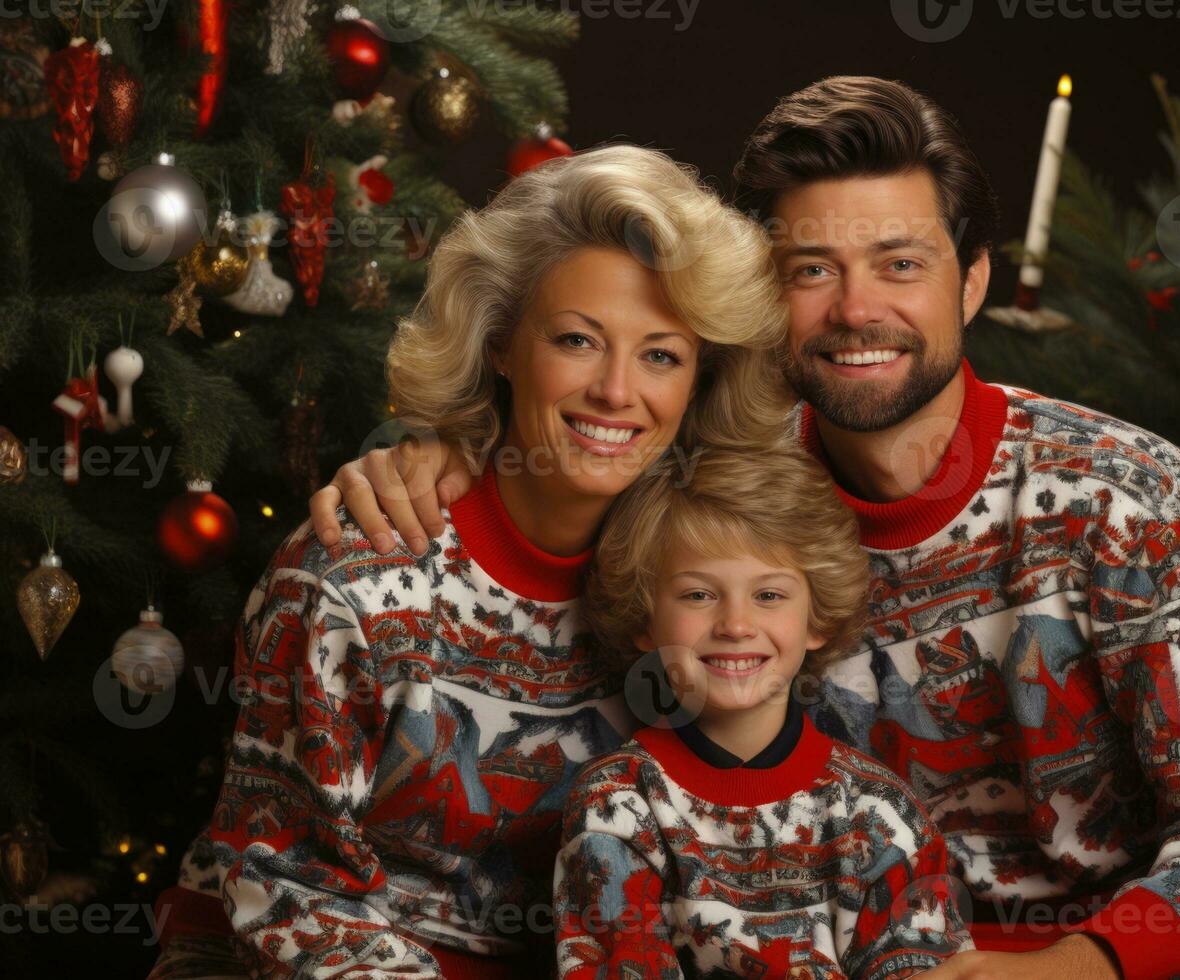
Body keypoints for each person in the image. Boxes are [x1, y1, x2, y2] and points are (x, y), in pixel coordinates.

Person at [309, 77, 1180, 978]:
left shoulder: (1126, 496)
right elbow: (572, 432)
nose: (856, 307)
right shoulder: (719, 496)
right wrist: (437, 448)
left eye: (901, 264)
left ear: (975, 279)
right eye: (811, 269)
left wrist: (1082, 962)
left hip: (1104, 949)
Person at [147, 144, 793, 979]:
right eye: (577, 340)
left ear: (701, 378)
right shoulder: (356, 573)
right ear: (499, 343)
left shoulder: (713, 591)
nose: (616, 392)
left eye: (662, 354)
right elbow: (284, 885)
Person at [554, 443, 975, 977]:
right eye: (699, 595)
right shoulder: (618, 807)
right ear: (645, 620)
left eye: (770, 595)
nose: (735, 624)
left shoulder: (877, 814)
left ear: (816, 619)